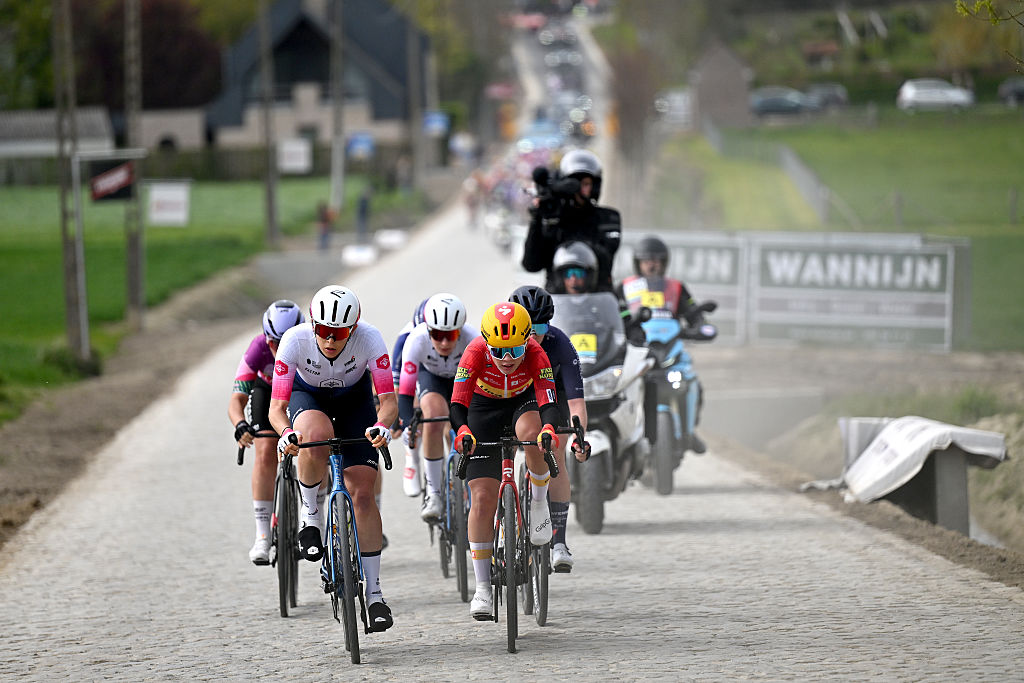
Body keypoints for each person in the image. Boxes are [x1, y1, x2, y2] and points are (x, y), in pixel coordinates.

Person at [271, 285, 397, 632]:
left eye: (338, 333)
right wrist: (286, 434)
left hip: (354, 401)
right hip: (307, 396)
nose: (329, 339)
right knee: (314, 434)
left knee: (363, 493)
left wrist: (383, 426)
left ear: (353, 329)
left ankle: (374, 594)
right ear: (313, 325)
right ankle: (311, 520)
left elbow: (388, 401)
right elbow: (277, 408)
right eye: (323, 331)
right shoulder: (295, 340)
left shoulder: (370, 339)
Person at [450, 302, 579, 620]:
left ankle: (537, 506)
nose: (507, 358)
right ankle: (482, 588)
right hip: (484, 408)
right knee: (482, 498)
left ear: (527, 341)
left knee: (535, 435)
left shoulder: (537, 354)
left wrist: (549, 426)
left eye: (515, 349)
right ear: (487, 343)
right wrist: (463, 430)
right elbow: (457, 405)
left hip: (523, 402)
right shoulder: (474, 352)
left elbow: (549, 402)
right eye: (499, 351)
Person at [508, 285, 589, 572]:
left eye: (540, 326)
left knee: (556, 451)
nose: (534, 335)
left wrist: (580, 436)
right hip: (516, 399)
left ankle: (558, 541)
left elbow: (577, 403)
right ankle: (502, 525)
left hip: (555, 399)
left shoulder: (560, 344)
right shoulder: (504, 343)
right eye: (527, 327)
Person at [615, 235, 709, 454]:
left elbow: (694, 314)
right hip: (637, 351)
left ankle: (689, 431)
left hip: (670, 351)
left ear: (665, 262)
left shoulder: (676, 288)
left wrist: (700, 326)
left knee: (693, 382)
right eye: (646, 259)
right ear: (637, 262)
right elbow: (615, 315)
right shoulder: (625, 288)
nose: (652, 263)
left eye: (657, 259)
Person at [228, 300, 305, 565]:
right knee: (264, 452)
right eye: (273, 342)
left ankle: (311, 514)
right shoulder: (258, 348)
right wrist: (240, 425)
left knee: (316, 443)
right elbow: (236, 400)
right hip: (267, 392)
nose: (277, 349)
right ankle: (262, 534)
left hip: (299, 392)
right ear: (265, 338)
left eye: (284, 343)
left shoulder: (308, 343)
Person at [393, 293, 478, 524]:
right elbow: (406, 391)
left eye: (450, 336)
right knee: (433, 416)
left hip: (464, 380)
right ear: (428, 330)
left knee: (469, 425)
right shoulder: (416, 339)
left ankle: (472, 487)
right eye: (437, 335)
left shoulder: (474, 339)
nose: (443, 342)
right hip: (432, 378)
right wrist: (408, 420)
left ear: (459, 331)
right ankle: (434, 493)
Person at [521, 149, 621, 292]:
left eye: (585, 184)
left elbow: (604, 260)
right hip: (558, 303)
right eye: (573, 185)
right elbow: (531, 265)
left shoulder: (608, 218)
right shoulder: (553, 217)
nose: (578, 190)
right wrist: (537, 219)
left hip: (599, 299)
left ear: (595, 187)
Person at [391, 298, 430, 497]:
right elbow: (398, 387)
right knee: (416, 404)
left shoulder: (448, 336)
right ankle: (412, 456)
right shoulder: (406, 338)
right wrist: (401, 419)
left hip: (443, 370)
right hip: (415, 371)